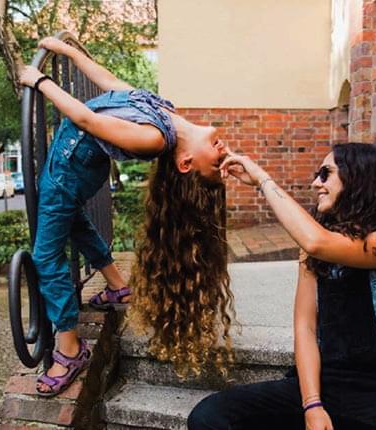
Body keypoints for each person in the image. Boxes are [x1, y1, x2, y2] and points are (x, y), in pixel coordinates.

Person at [187, 143, 376, 429]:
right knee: (210, 416)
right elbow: (305, 328)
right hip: (321, 381)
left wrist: (262, 179)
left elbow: (315, 240)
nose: (315, 182)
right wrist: (313, 405)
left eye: (325, 173)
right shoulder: (314, 254)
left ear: (360, 178)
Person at [18, 36, 227, 397]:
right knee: (76, 224)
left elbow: (84, 117)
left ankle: (68, 348)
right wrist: (69, 51)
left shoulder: (153, 139)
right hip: (73, 168)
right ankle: (117, 285)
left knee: (45, 257)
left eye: (217, 165)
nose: (223, 155)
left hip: (67, 174)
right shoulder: (167, 113)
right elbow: (112, 84)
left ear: (186, 164)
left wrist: (39, 81)